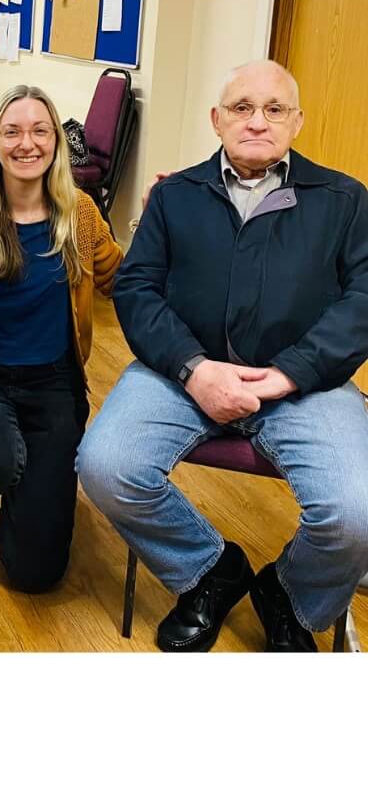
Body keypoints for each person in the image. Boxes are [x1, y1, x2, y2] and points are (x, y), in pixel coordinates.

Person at [77, 60, 368, 652]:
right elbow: (135, 288)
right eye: (241, 108)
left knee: (356, 513)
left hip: (306, 383)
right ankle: (211, 572)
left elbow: (363, 300)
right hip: (183, 372)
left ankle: (289, 594)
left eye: (274, 109)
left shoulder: (344, 200)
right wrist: (194, 368)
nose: (257, 121)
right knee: (107, 467)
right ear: (217, 120)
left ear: (297, 121)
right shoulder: (175, 196)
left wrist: (290, 373)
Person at [0, 85, 122, 591]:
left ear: (57, 142)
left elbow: (121, 280)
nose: (28, 143)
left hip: (53, 383)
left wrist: (161, 224)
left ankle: (25, 478)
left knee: (35, 574)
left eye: (40, 131)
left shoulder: (81, 212)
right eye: (12, 131)